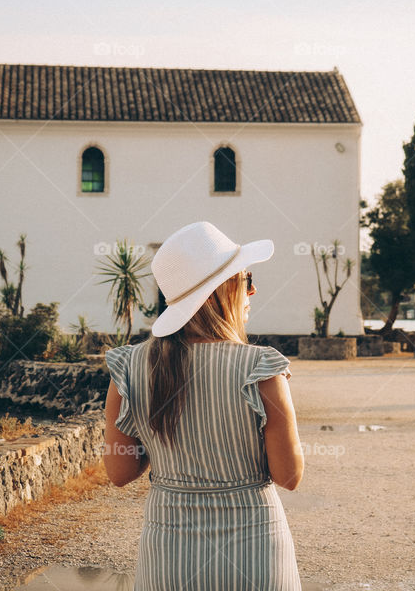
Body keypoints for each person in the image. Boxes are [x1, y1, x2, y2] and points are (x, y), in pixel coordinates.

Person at [102, 220, 303, 590]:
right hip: (256, 554)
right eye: (246, 278)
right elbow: (289, 476)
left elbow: (119, 472)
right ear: (216, 294)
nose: (253, 290)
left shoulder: (128, 367)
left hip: (168, 557)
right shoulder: (261, 367)